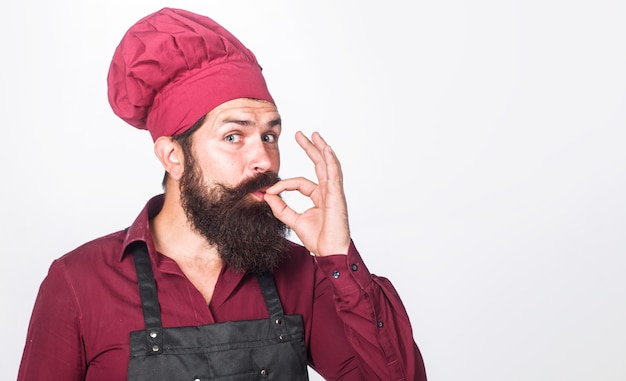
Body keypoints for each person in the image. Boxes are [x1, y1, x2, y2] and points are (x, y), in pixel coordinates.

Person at [18, 7, 427, 381]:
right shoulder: (78, 282)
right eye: (234, 136)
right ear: (173, 156)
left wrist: (337, 255)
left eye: (270, 135)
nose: (264, 160)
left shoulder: (303, 274)